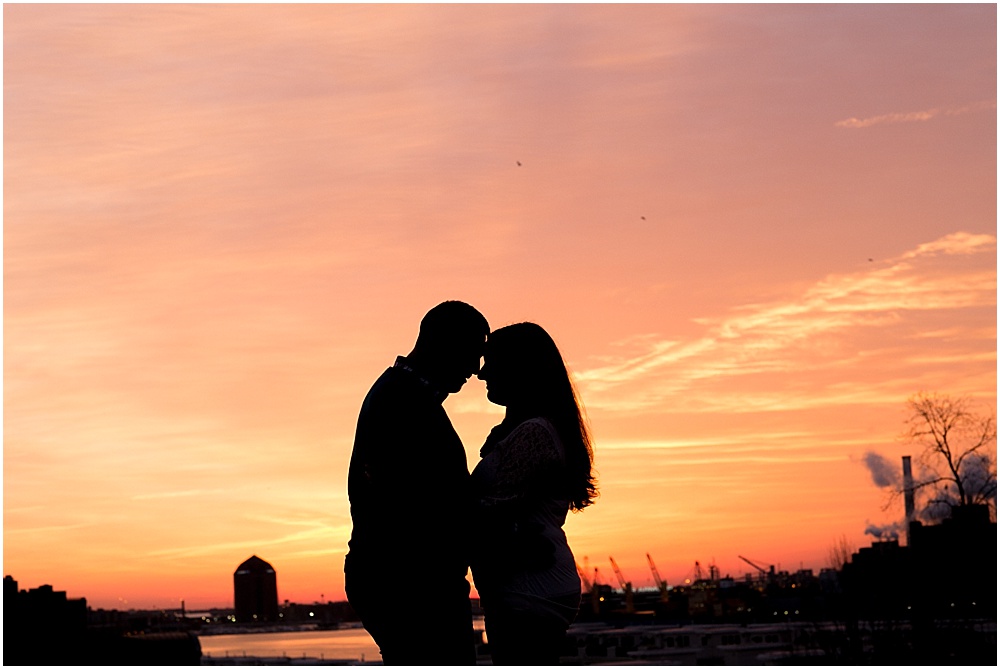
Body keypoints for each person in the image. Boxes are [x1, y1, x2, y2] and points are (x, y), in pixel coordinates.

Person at [345, 301, 489, 665]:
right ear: (443, 343)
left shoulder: (404, 395)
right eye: (472, 354)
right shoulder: (403, 401)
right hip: (410, 584)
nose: (475, 370)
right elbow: (421, 502)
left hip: (403, 579)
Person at [471, 322, 598, 665]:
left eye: (491, 362)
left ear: (519, 368)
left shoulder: (534, 433)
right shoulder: (528, 429)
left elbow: (486, 512)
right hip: (528, 585)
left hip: (529, 589)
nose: (481, 374)